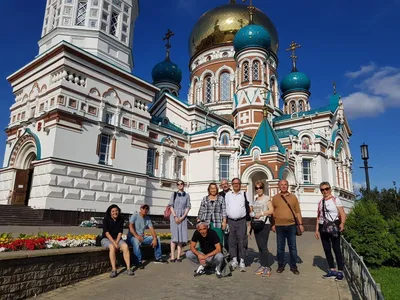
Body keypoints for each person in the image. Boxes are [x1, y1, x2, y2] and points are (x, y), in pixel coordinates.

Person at [315, 181, 346, 281]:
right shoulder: (320, 202)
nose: (325, 191)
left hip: (333, 226)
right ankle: (332, 270)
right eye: (322, 190)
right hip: (323, 227)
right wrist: (316, 230)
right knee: (327, 249)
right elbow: (318, 216)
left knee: (336, 249)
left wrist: (342, 223)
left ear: (330, 189)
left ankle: (340, 271)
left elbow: (342, 213)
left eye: (326, 189)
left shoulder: (335, 200)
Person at [271, 179, 304, 275]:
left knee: (292, 247)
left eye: (285, 184)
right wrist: (273, 224)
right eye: (282, 185)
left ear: (288, 186)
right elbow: (272, 212)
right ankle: (280, 265)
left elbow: (298, 212)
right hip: (279, 226)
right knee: (280, 247)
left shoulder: (293, 197)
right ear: (279, 186)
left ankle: (293, 266)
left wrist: (300, 224)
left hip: (291, 226)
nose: (284, 186)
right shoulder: (275, 198)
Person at [101, 204, 134, 278]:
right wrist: (114, 243)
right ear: (110, 212)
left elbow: (120, 232)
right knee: (112, 247)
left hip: (117, 238)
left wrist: (117, 242)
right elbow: (106, 233)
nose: (115, 212)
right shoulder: (106, 219)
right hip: (107, 238)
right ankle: (114, 270)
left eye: (116, 211)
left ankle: (128, 268)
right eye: (113, 211)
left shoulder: (121, 219)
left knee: (125, 246)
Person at [249, 181, 274, 277]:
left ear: (263, 188)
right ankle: (262, 265)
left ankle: (267, 266)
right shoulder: (255, 199)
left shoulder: (267, 198)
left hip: (264, 224)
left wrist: (262, 213)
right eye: (256, 188)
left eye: (260, 187)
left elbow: (271, 210)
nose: (258, 189)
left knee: (263, 245)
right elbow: (253, 212)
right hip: (256, 224)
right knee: (259, 246)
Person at [225, 177, 248, 272]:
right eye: (234, 183)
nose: (236, 185)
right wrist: (225, 221)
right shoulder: (227, 195)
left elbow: (249, 207)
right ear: (232, 184)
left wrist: (249, 223)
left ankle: (242, 261)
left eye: (238, 183)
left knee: (242, 240)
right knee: (232, 241)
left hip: (242, 220)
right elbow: (225, 208)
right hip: (230, 221)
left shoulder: (244, 194)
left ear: (240, 184)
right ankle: (234, 260)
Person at [168, 180, 191, 262]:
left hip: (183, 217)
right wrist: (175, 216)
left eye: (181, 184)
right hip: (174, 216)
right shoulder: (174, 194)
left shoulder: (187, 195)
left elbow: (188, 207)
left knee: (180, 237)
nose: (180, 185)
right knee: (174, 236)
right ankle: (172, 256)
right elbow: (171, 206)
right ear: (177, 186)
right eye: (178, 184)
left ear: (183, 185)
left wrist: (182, 217)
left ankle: (178, 256)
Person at [219, 179, 231, 251]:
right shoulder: (219, 195)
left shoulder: (233, 193)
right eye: (223, 184)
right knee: (225, 236)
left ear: (228, 184)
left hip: (232, 218)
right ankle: (226, 252)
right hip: (223, 218)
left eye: (226, 183)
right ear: (221, 186)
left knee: (232, 237)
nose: (225, 185)